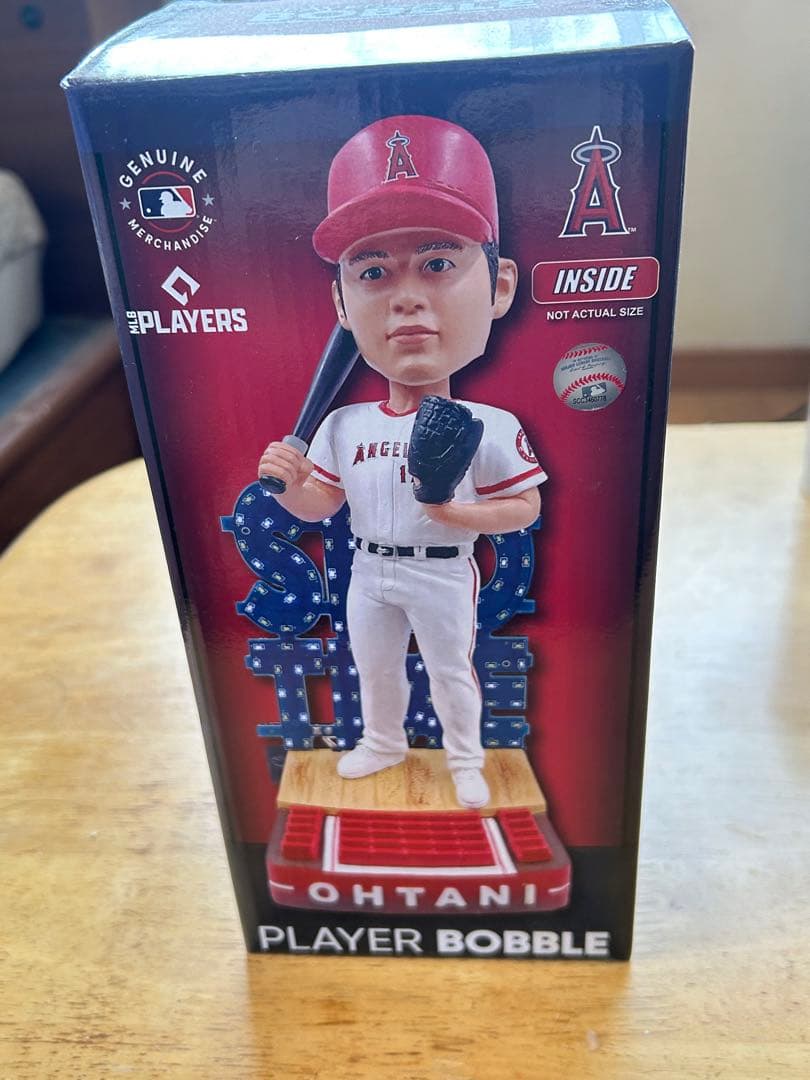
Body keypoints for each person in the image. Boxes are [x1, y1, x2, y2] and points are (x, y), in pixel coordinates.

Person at [258, 116, 546, 808]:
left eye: (438, 263)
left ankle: (466, 760)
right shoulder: (343, 422)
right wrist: (291, 486)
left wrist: (454, 513)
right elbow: (322, 505)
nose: (406, 297)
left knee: (450, 670)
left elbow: (525, 507)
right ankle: (382, 742)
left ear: (500, 286)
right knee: (375, 666)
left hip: (442, 570)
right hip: (368, 567)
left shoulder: (489, 424)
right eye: (373, 272)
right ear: (343, 303)